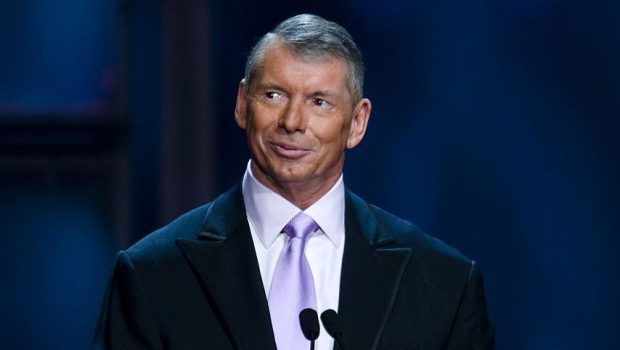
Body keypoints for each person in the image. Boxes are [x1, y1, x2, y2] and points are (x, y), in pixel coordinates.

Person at [93, 14, 494, 350]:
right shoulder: (152, 275)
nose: (293, 122)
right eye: (274, 95)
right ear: (242, 104)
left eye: (319, 102)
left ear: (357, 123)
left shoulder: (445, 285)